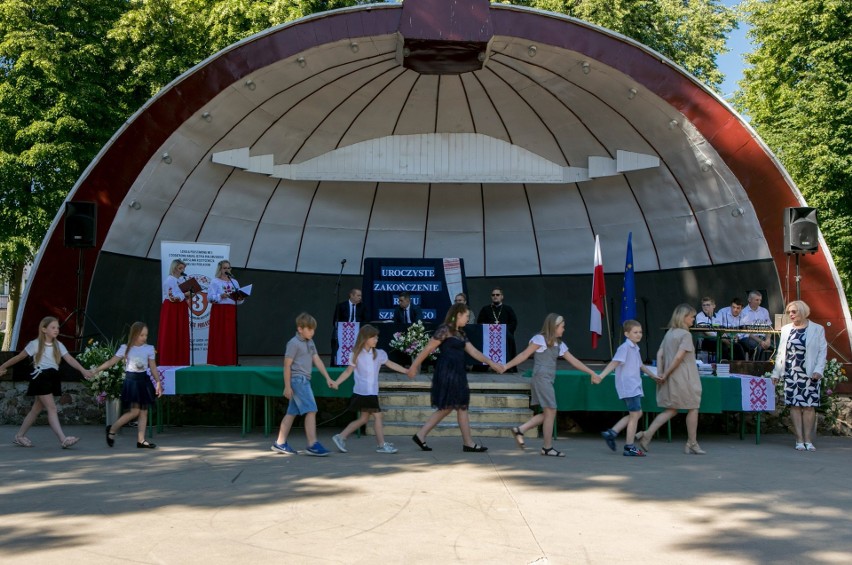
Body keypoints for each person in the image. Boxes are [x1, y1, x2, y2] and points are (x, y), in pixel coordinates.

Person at [407, 304, 504, 452]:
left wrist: (491, 362)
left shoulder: (461, 333)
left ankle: (421, 435)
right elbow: (428, 348)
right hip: (447, 372)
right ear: (458, 315)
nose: (467, 319)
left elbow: (474, 352)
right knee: (459, 406)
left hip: (457, 372)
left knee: (451, 407)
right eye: (466, 316)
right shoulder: (445, 330)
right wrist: (414, 366)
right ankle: (468, 443)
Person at [502, 313, 597, 457]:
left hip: (546, 379)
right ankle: (546, 447)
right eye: (562, 327)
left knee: (549, 412)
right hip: (541, 378)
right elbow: (523, 355)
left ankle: (521, 430)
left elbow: (574, 361)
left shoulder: (559, 344)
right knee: (551, 410)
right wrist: (505, 366)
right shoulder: (540, 339)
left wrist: (591, 372)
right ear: (554, 326)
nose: (564, 329)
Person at [0, 316, 93, 448]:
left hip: (52, 377)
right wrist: (2, 366)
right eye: (53, 327)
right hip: (41, 378)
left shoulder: (58, 345)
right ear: (44, 329)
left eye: (57, 327)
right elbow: (19, 357)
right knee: (52, 408)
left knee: (36, 409)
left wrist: (83, 370)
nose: (56, 330)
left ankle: (20, 436)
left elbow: (70, 359)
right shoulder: (35, 344)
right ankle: (63, 439)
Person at [636, 304, 705, 455]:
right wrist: (665, 374)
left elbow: (660, 354)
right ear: (684, 317)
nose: (694, 319)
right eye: (692, 316)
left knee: (671, 409)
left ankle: (647, 434)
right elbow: (679, 357)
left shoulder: (670, 333)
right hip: (685, 377)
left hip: (671, 376)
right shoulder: (686, 335)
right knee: (693, 407)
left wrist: (661, 373)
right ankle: (692, 443)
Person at [330, 325, 408, 454]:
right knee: (378, 416)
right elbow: (348, 372)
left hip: (372, 392)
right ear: (365, 338)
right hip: (363, 392)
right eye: (373, 337)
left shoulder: (379, 353)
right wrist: (336, 382)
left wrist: (406, 370)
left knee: (364, 419)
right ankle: (381, 445)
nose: (376, 339)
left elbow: (390, 364)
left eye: (377, 337)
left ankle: (340, 437)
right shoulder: (356, 354)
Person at [271, 313, 335, 456]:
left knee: (292, 412)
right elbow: (287, 366)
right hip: (298, 381)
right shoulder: (293, 343)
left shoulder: (310, 342)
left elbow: (317, 359)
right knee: (311, 410)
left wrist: (328, 377)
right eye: (310, 329)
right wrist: (287, 387)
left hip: (304, 380)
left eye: (313, 330)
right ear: (300, 329)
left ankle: (280, 443)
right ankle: (312, 444)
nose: (312, 332)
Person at [95, 322, 163, 449]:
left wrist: (158, 382)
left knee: (144, 412)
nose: (145, 337)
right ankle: (112, 429)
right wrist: (96, 370)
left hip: (143, 381)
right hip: (131, 381)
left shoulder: (149, 348)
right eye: (142, 335)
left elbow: (153, 367)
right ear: (134, 334)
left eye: (146, 335)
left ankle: (141, 440)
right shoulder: (125, 348)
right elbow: (111, 362)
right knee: (135, 411)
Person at [594, 320, 656, 457]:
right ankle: (629, 446)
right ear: (627, 334)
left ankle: (612, 433)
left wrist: (653, 376)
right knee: (635, 415)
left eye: (640, 332)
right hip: (629, 386)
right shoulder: (624, 348)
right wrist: (601, 376)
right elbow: (614, 363)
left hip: (634, 385)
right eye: (635, 332)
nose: (638, 335)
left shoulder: (635, 348)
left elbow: (641, 366)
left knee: (637, 413)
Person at [771, 300, 827, 451]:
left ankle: (808, 440)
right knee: (794, 406)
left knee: (809, 406)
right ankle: (799, 440)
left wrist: (819, 370)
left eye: (794, 312)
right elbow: (781, 353)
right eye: (789, 312)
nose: (791, 315)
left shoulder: (817, 329)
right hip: (791, 373)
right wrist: (776, 372)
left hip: (810, 373)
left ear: (802, 312)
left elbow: (823, 352)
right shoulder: (786, 329)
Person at [207, 260, 243, 365]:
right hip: (219, 311)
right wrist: (220, 296)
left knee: (229, 335)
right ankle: (217, 361)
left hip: (231, 311)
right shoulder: (215, 281)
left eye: (228, 268)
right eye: (224, 268)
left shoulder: (234, 282)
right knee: (219, 335)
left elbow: (238, 299)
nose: (227, 270)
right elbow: (209, 298)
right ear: (220, 269)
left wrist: (240, 298)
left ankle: (230, 361)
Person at [157, 259, 190, 366]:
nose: (182, 270)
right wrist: (184, 295)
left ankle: (181, 360)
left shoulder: (180, 280)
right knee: (171, 332)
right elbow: (172, 297)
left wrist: (190, 294)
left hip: (180, 308)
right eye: (180, 268)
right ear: (174, 268)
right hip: (172, 309)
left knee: (180, 332)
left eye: (183, 268)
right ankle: (169, 360)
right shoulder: (169, 280)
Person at [477, 287, 518, 370]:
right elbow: (480, 322)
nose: (495, 296)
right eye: (493, 295)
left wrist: (503, 330)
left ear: (502, 296)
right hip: (488, 336)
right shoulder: (485, 309)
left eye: (497, 295)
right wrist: (490, 329)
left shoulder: (508, 309)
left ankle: (508, 367)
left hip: (504, 336)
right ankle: (482, 367)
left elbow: (514, 322)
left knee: (510, 339)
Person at [331, 288, 365, 366]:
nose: (360, 297)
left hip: (357, 332)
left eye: (361, 296)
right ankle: (335, 366)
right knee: (335, 342)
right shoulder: (341, 306)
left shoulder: (362, 307)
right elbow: (335, 321)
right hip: (342, 332)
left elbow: (365, 320)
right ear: (351, 295)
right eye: (358, 295)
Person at [739, 290, 774, 361]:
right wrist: (760, 341)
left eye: (760, 300)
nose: (759, 302)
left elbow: (769, 327)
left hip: (763, 338)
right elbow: (746, 332)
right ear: (749, 300)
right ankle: (756, 368)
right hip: (748, 338)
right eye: (757, 300)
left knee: (778, 347)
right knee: (758, 347)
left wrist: (768, 339)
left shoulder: (764, 311)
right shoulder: (743, 312)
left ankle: (770, 368)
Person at [694, 296, 720, 361]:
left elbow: (723, 328)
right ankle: (721, 366)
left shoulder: (718, 315)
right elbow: (706, 331)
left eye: (708, 305)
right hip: (705, 341)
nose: (705, 307)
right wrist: (720, 338)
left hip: (719, 339)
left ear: (714, 306)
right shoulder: (700, 316)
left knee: (736, 346)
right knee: (723, 346)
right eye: (704, 305)